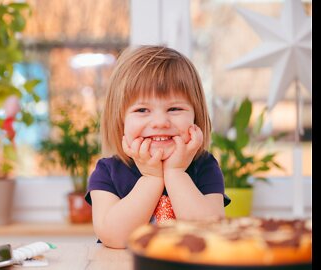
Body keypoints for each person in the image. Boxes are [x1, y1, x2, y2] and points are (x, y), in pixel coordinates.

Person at [84, 45, 230, 249]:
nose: (160, 122)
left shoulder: (205, 167)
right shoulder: (107, 172)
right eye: (142, 109)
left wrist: (176, 173)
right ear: (120, 121)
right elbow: (114, 237)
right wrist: (152, 178)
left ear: (196, 117)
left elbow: (210, 235)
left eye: (175, 108)